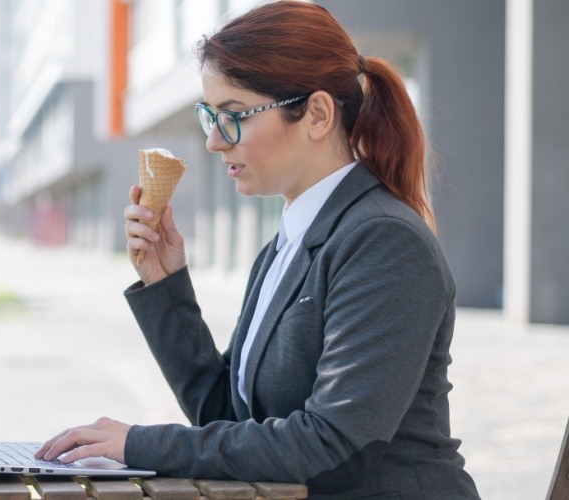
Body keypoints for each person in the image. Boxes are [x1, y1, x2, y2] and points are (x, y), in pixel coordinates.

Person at [35, 2, 479, 497]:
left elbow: (334, 445)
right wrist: (165, 286)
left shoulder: (385, 241)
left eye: (232, 116)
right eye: (210, 116)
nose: (213, 142)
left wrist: (140, 444)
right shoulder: (284, 247)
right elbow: (226, 414)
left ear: (316, 114)